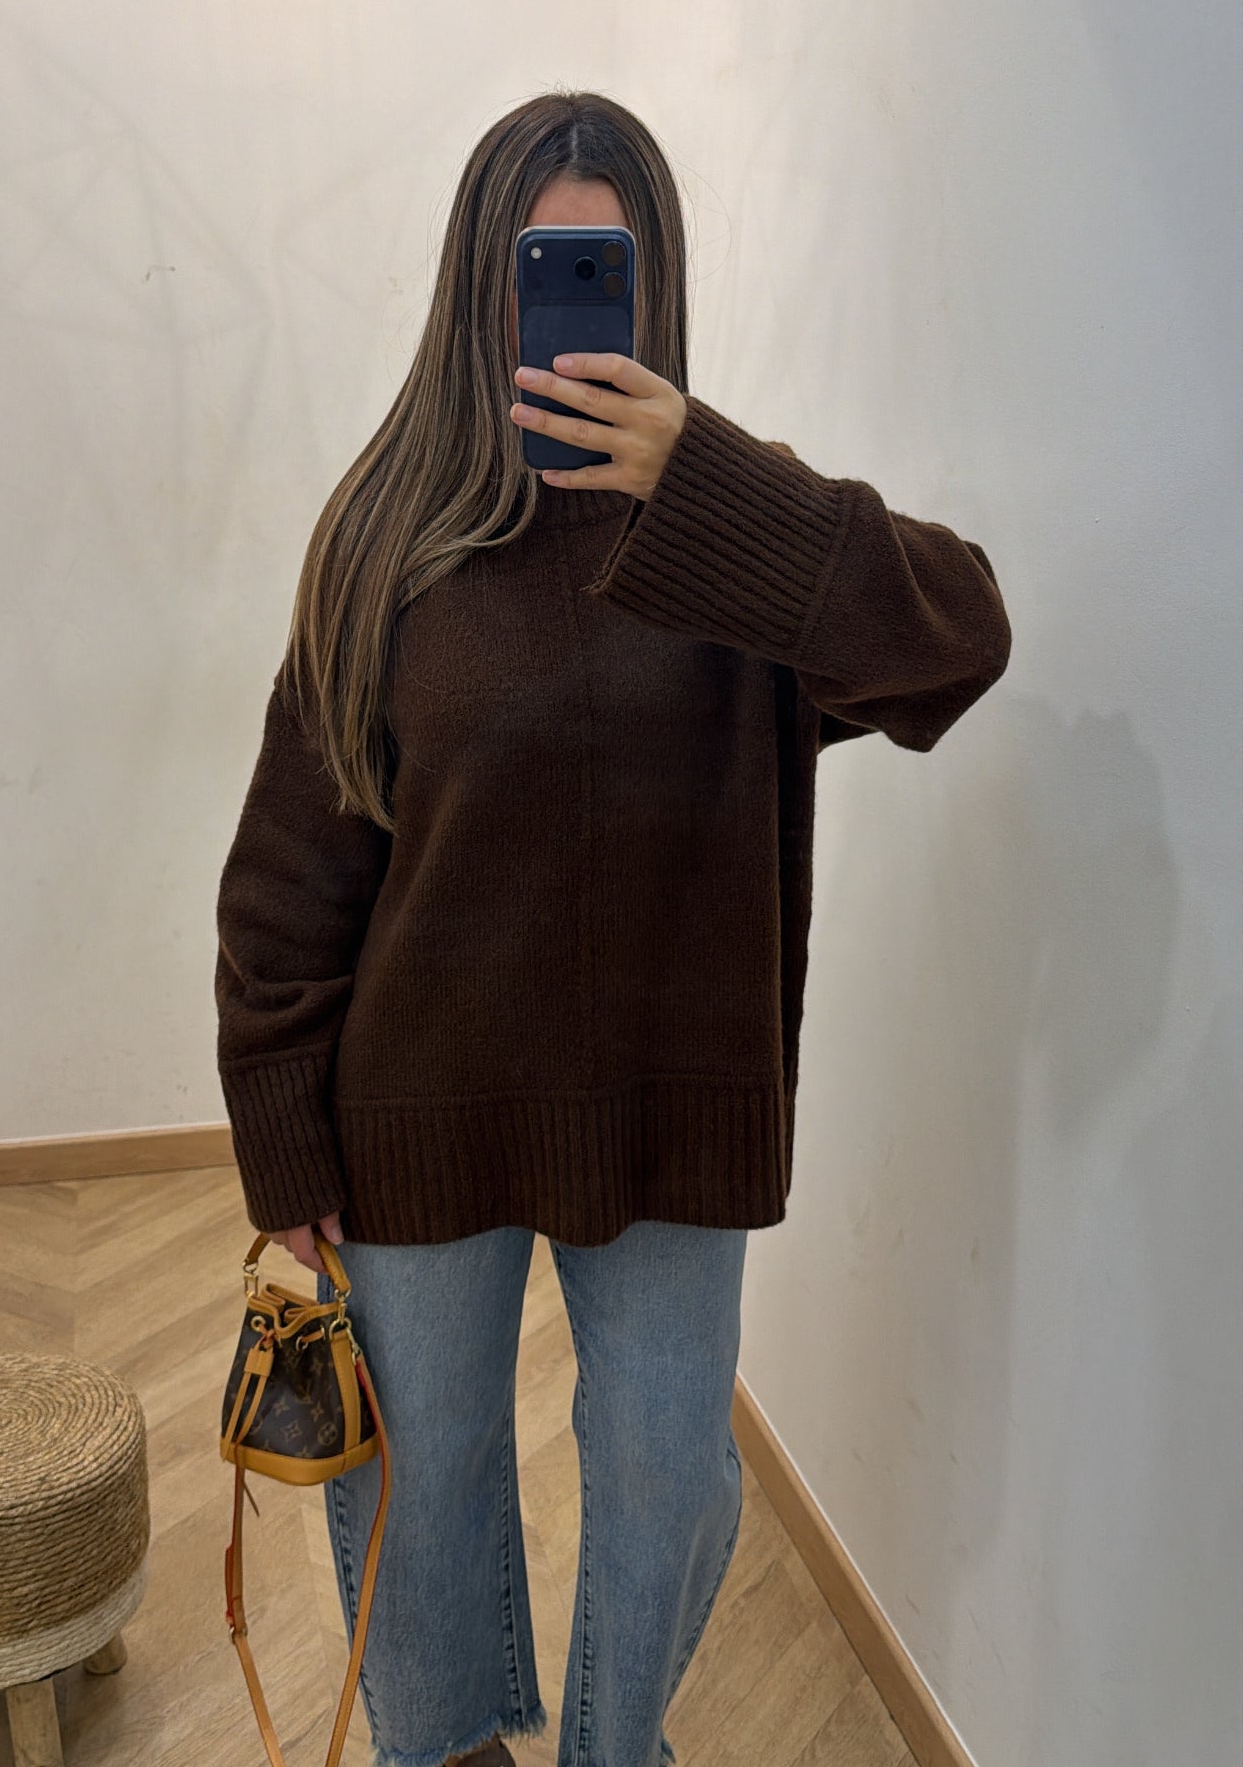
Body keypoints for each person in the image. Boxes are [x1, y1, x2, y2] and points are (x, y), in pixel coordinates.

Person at [213, 90, 1012, 1767]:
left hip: (672, 1113)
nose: (569, 314)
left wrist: (707, 484)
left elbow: (960, 640)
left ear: (657, 288)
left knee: (667, 1478)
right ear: (477, 288)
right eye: (540, 269)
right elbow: (291, 870)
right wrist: (283, 1137)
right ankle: (448, 1749)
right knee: (421, 1476)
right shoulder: (385, 539)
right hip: (418, 1113)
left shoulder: (734, 541)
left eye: (605, 270)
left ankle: (611, 1748)